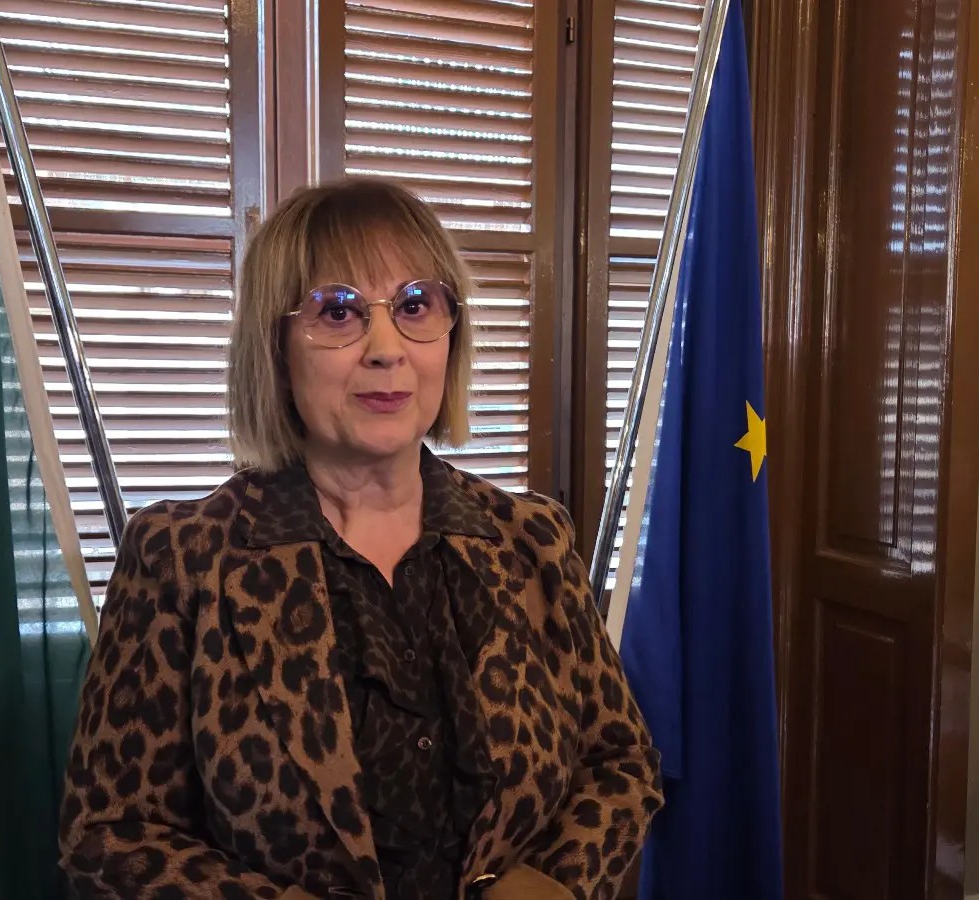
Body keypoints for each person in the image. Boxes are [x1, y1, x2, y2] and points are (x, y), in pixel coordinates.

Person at [58, 177, 662, 900]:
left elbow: (620, 761)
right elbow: (108, 833)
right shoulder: (181, 559)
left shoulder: (533, 539)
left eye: (415, 305)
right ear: (277, 349)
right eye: (338, 311)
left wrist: (557, 881)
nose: (385, 348)